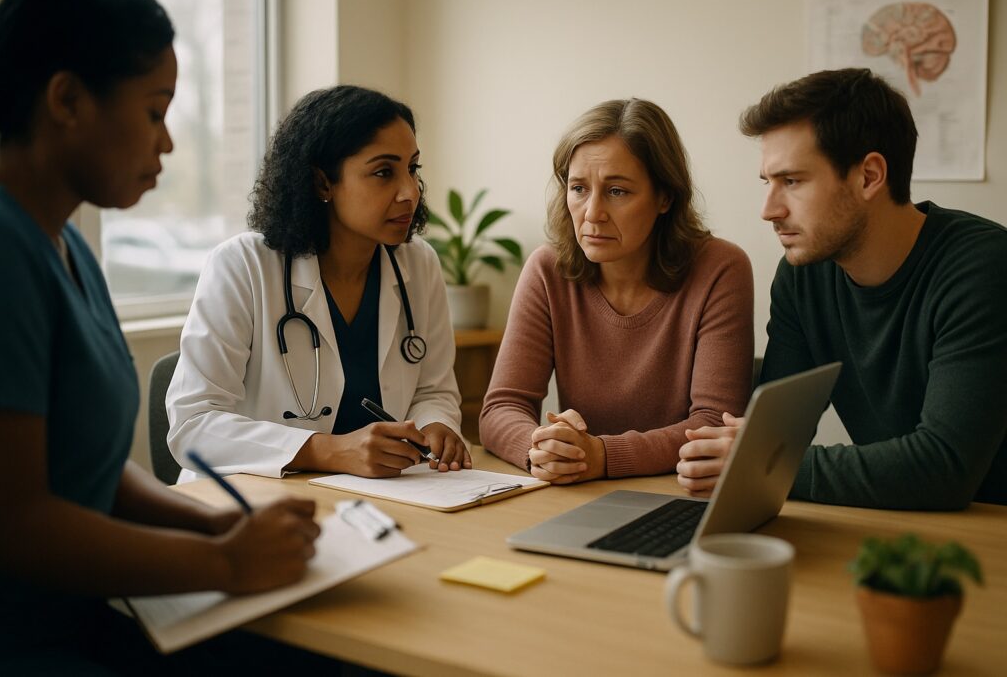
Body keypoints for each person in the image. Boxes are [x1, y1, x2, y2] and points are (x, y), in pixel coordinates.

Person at [0, 0, 328, 673]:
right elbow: (10, 519)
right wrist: (224, 559)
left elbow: (91, 469)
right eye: (153, 110)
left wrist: (213, 521)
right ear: (67, 100)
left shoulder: (68, 250)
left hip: (81, 615)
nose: (166, 141)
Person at [677, 68, 1007, 510]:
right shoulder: (802, 275)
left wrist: (761, 461)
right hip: (895, 526)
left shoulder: (983, 267)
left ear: (870, 176)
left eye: (792, 181)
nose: (768, 210)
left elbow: (944, 468)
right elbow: (776, 435)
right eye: (767, 182)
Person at [167, 85, 469, 484]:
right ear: (323, 183)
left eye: (412, 169)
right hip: (254, 499)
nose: (409, 191)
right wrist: (327, 450)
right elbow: (193, 425)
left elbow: (433, 390)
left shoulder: (418, 263)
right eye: (383, 172)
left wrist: (437, 425)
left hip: (384, 497)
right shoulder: (243, 266)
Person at [479, 98, 754, 484]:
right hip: (580, 492)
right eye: (578, 188)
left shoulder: (720, 268)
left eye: (617, 192)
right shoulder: (547, 271)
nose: (592, 213)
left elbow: (711, 426)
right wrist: (541, 446)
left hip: (680, 493)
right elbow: (501, 408)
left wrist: (603, 455)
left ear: (665, 197)